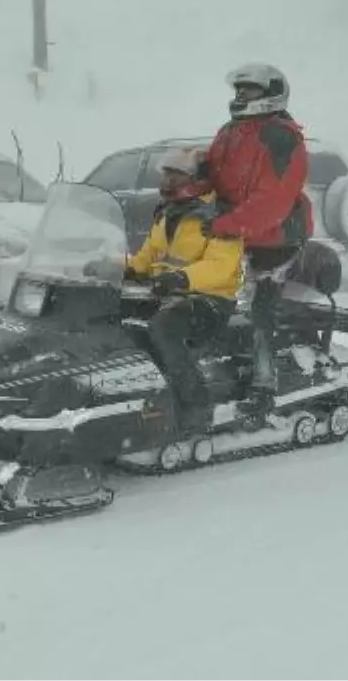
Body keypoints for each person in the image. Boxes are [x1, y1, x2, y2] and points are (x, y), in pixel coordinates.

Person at [199, 62, 314, 417]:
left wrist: (226, 224)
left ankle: (264, 385)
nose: (240, 96)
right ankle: (205, 370)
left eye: (249, 91)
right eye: (238, 90)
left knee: (259, 307)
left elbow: (272, 201)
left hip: (275, 239)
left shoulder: (282, 137)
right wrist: (182, 196)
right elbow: (210, 174)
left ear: (271, 94)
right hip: (236, 233)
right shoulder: (230, 132)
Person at [127, 147, 244, 434]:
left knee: (164, 329)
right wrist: (117, 266)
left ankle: (196, 406)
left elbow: (220, 267)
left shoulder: (220, 217)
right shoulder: (168, 213)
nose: (167, 182)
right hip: (167, 293)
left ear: (198, 179)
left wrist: (181, 279)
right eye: (166, 174)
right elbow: (147, 257)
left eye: (176, 175)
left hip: (209, 299)